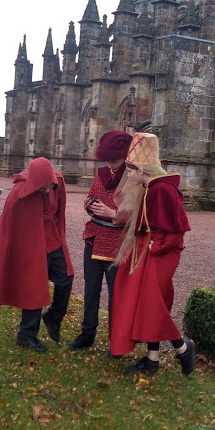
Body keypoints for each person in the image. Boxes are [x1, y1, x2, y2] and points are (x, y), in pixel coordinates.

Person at [109, 132, 195, 375]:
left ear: (143, 169)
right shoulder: (150, 188)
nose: (129, 175)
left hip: (162, 252)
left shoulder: (161, 191)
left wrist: (155, 247)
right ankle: (152, 358)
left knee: (151, 301)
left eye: (132, 170)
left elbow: (176, 231)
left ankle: (182, 347)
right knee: (146, 301)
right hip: (152, 249)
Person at [0, 157, 74, 352]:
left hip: (52, 239)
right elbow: (10, 228)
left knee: (66, 277)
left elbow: (59, 215)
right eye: (42, 187)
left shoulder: (57, 182)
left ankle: (53, 317)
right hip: (30, 242)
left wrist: (61, 240)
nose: (46, 190)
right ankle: (26, 335)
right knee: (33, 284)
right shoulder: (19, 194)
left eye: (48, 186)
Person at [69, 130, 133, 350]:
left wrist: (113, 214)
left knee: (117, 297)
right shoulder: (101, 173)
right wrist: (89, 206)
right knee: (91, 291)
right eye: (107, 160)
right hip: (94, 239)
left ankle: (117, 341)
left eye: (114, 160)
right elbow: (90, 197)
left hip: (118, 244)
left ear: (126, 156)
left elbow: (140, 214)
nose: (111, 165)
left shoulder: (135, 178)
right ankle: (87, 334)